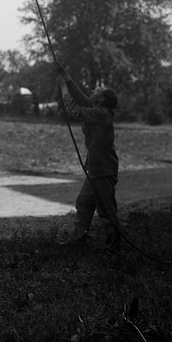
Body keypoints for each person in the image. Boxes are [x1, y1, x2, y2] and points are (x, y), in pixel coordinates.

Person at [56, 64, 121, 253]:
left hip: (103, 170)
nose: (92, 92)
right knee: (84, 203)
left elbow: (75, 110)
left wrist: (62, 87)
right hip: (95, 169)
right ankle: (78, 239)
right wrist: (67, 77)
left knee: (107, 212)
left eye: (96, 91)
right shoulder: (98, 111)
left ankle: (114, 249)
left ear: (101, 100)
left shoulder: (101, 114)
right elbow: (82, 98)